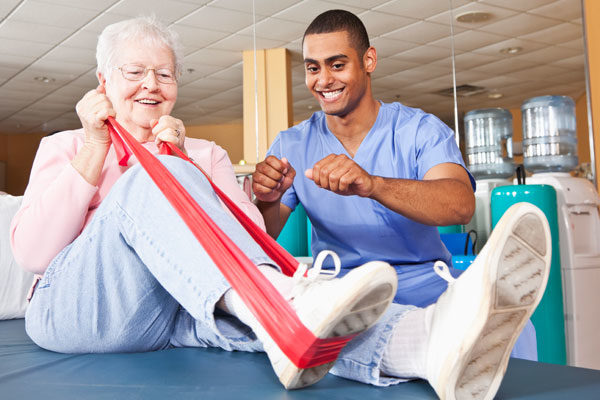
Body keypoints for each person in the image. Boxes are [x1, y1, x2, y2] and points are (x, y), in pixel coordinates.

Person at [11, 15, 551, 400]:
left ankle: (424, 343)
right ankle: (291, 303)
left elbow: (247, 247)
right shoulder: (68, 147)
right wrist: (110, 150)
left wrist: (185, 161)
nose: (151, 86)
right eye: (134, 73)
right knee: (159, 177)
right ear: (104, 83)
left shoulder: (207, 153)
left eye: (165, 74)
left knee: (285, 320)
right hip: (80, 310)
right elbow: (36, 254)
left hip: (169, 313)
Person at [252, 10, 537, 360]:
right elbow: (260, 238)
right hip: (339, 292)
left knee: (517, 331)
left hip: (422, 286)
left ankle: (488, 286)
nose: (323, 80)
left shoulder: (420, 130)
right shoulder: (291, 144)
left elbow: (460, 204)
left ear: (368, 60)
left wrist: (372, 184)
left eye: (337, 65)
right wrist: (266, 199)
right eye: (313, 68)